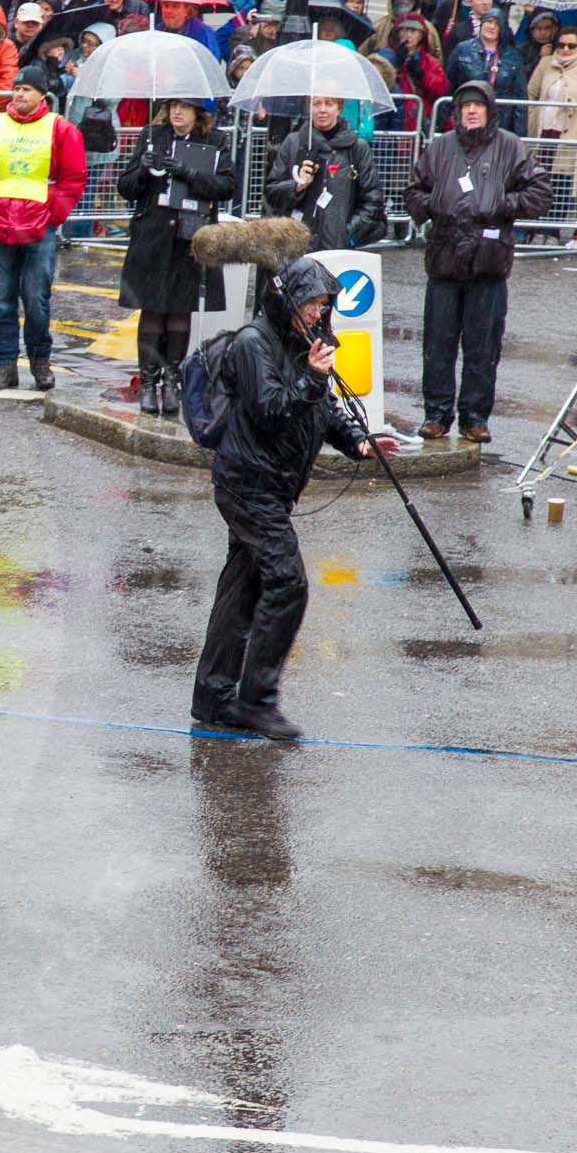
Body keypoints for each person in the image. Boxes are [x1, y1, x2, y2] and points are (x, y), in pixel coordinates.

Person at [192, 258, 399, 740]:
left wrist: (358, 441)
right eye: (310, 303)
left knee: (242, 588)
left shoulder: (305, 341)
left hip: (275, 486)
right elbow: (271, 411)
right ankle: (257, 702)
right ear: (287, 301)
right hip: (248, 485)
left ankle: (213, 696)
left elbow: (323, 410)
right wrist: (311, 376)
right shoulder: (253, 343)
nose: (317, 312)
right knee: (287, 583)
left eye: (323, 305)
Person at [404, 80, 550, 442]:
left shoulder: (510, 146)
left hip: (488, 262)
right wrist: (435, 204)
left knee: (483, 347)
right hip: (444, 260)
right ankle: (436, 413)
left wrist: (503, 203)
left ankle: (474, 417)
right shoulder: (440, 147)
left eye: (478, 106)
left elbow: (540, 192)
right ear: (457, 112)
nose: (471, 111)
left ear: (489, 110)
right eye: (465, 106)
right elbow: (414, 192)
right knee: (438, 344)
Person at [0, 64, 88, 392]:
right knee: (1, 300)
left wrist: (53, 216)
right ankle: (5, 364)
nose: (19, 94)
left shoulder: (60, 129)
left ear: (41, 95)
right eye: (16, 89)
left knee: (36, 299)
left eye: (26, 90)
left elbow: (74, 177)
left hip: (38, 227)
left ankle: (39, 361)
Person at [116, 98, 237, 416]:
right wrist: (143, 170)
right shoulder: (151, 135)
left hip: (190, 236)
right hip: (153, 236)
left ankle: (172, 380)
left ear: (198, 112)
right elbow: (126, 187)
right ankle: (148, 382)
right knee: (152, 310)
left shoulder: (214, 140)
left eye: (184, 107)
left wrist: (189, 174)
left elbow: (227, 186)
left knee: (181, 311)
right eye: (173, 106)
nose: (177, 112)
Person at [264, 95, 384, 251]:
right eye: (316, 104)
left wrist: (348, 234)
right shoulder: (293, 143)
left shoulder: (357, 148)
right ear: (309, 107)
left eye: (329, 104)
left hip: (338, 247)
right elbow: (272, 193)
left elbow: (372, 199)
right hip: (297, 247)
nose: (322, 110)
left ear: (339, 109)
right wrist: (296, 186)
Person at [527, 29, 577, 247]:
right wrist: (533, 122)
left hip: (569, 135)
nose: (566, 49)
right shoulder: (545, 64)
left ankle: (554, 232)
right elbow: (531, 93)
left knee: (561, 185)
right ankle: (537, 229)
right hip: (544, 133)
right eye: (561, 45)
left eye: (571, 45)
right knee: (539, 182)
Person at [446, 9, 525, 133]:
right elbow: (448, 86)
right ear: (482, 23)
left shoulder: (512, 56)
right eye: (489, 21)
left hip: (501, 122)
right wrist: (442, 122)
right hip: (466, 116)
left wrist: (520, 134)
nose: (492, 27)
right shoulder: (462, 49)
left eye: (497, 24)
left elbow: (520, 97)